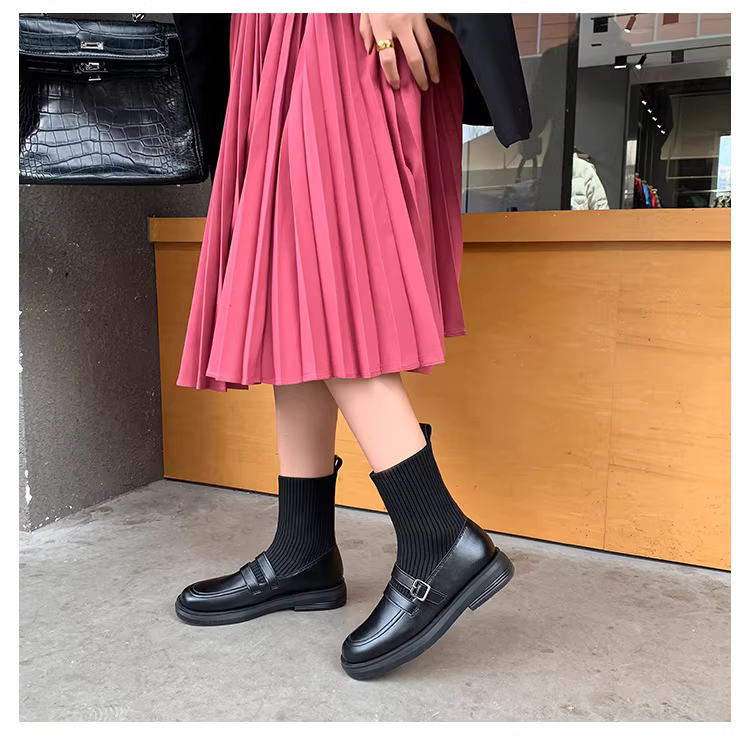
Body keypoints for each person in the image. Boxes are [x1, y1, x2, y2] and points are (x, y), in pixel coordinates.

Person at [172, 13, 530, 680]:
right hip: (266, 34)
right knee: (286, 282)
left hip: (338, 28)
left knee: (323, 269)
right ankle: (302, 549)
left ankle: (436, 534)